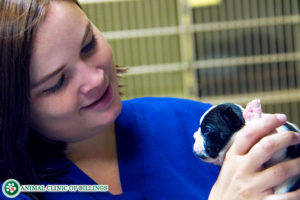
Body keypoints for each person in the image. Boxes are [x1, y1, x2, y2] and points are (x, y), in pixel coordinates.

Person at [0, 0, 300, 199]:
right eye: (57, 82)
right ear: (13, 109)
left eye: (88, 45)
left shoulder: (184, 122)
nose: (95, 79)